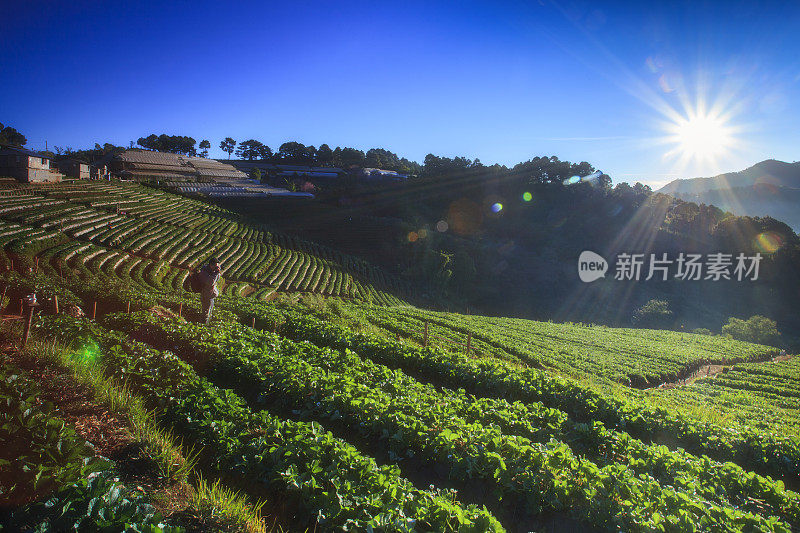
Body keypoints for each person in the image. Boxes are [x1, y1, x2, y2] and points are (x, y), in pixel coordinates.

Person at [197, 257, 221, 324]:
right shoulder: (204, 272)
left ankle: (205, 323)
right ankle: (203, 325)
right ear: (211, 265)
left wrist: (216, 272)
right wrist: (216, 273)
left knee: (209, 311)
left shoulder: (212, 271)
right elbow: (210, 283)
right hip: (206, 295)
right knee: (206, 312)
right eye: (216, 266)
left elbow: (216, 279)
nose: (217, 268)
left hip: (210, 295)